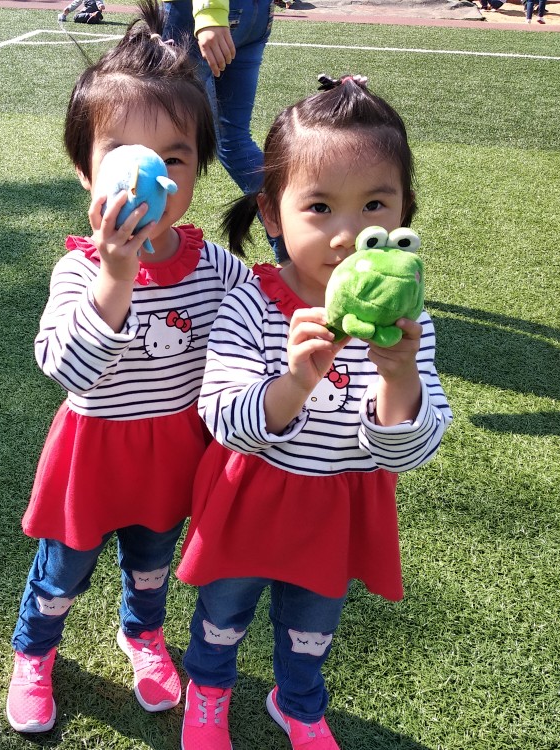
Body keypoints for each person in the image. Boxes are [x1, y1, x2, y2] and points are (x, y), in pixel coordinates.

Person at [174, 74, 454, 750]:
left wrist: (397, 376)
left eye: (375, 205)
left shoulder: (409, 325)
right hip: (250, 495)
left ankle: (298, 701)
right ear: (273, 215)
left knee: (313, 627)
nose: (348, 235)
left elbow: (413, 448)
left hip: (337, 503)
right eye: (321, 207)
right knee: (222, 613)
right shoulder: (250, 303)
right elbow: (223, 420)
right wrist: (295, 381)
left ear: (405, 212)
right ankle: (207, 692)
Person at [5, 0, 253, 734]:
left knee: (152, 566)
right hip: (94, 450)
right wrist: (117, 275)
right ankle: (34, 652)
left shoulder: (217, 270)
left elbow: (262, 329)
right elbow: (68, 368)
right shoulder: (81, 270)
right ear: (86, 172)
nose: (153, 177)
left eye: (174, 158)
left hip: (172, 449)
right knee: (62, 570)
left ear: (198, 169)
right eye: (123, 155)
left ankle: (142, 635)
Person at [162, 0, 287, 262]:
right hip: (255, 12)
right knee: (235, 142)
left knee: (160, 134)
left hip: (205, 13)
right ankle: (294, 247)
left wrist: (210, 12)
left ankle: (138, 246)